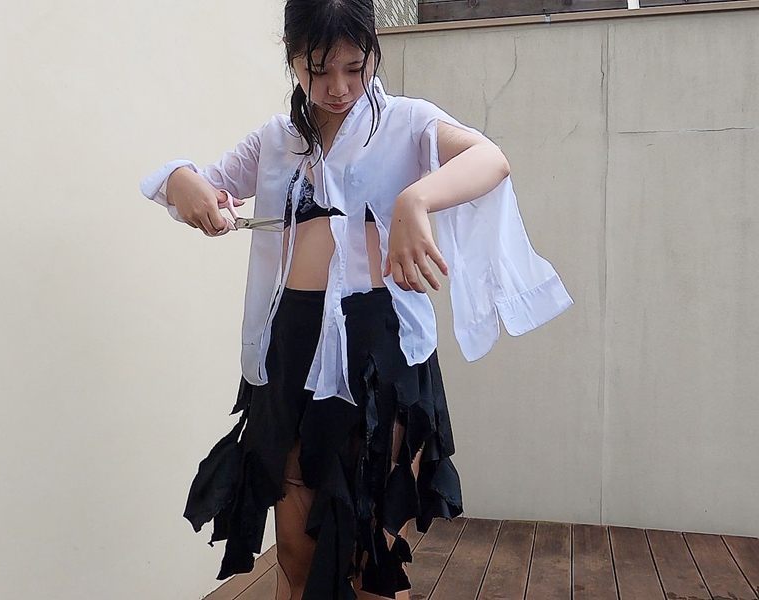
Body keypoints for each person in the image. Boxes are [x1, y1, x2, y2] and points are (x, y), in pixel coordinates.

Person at [140, 1, 572, 599]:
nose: (339, 88)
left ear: (373, 51)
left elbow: (489, 159)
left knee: (370, 549)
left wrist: (415, 200)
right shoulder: (277, 140)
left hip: (376, 343)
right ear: (292, 57)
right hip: (291, 342)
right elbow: (192, 183)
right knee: (295, 549)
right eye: (319, 70)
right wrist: (182, 181)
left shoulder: (407, 124)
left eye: (355, 67)